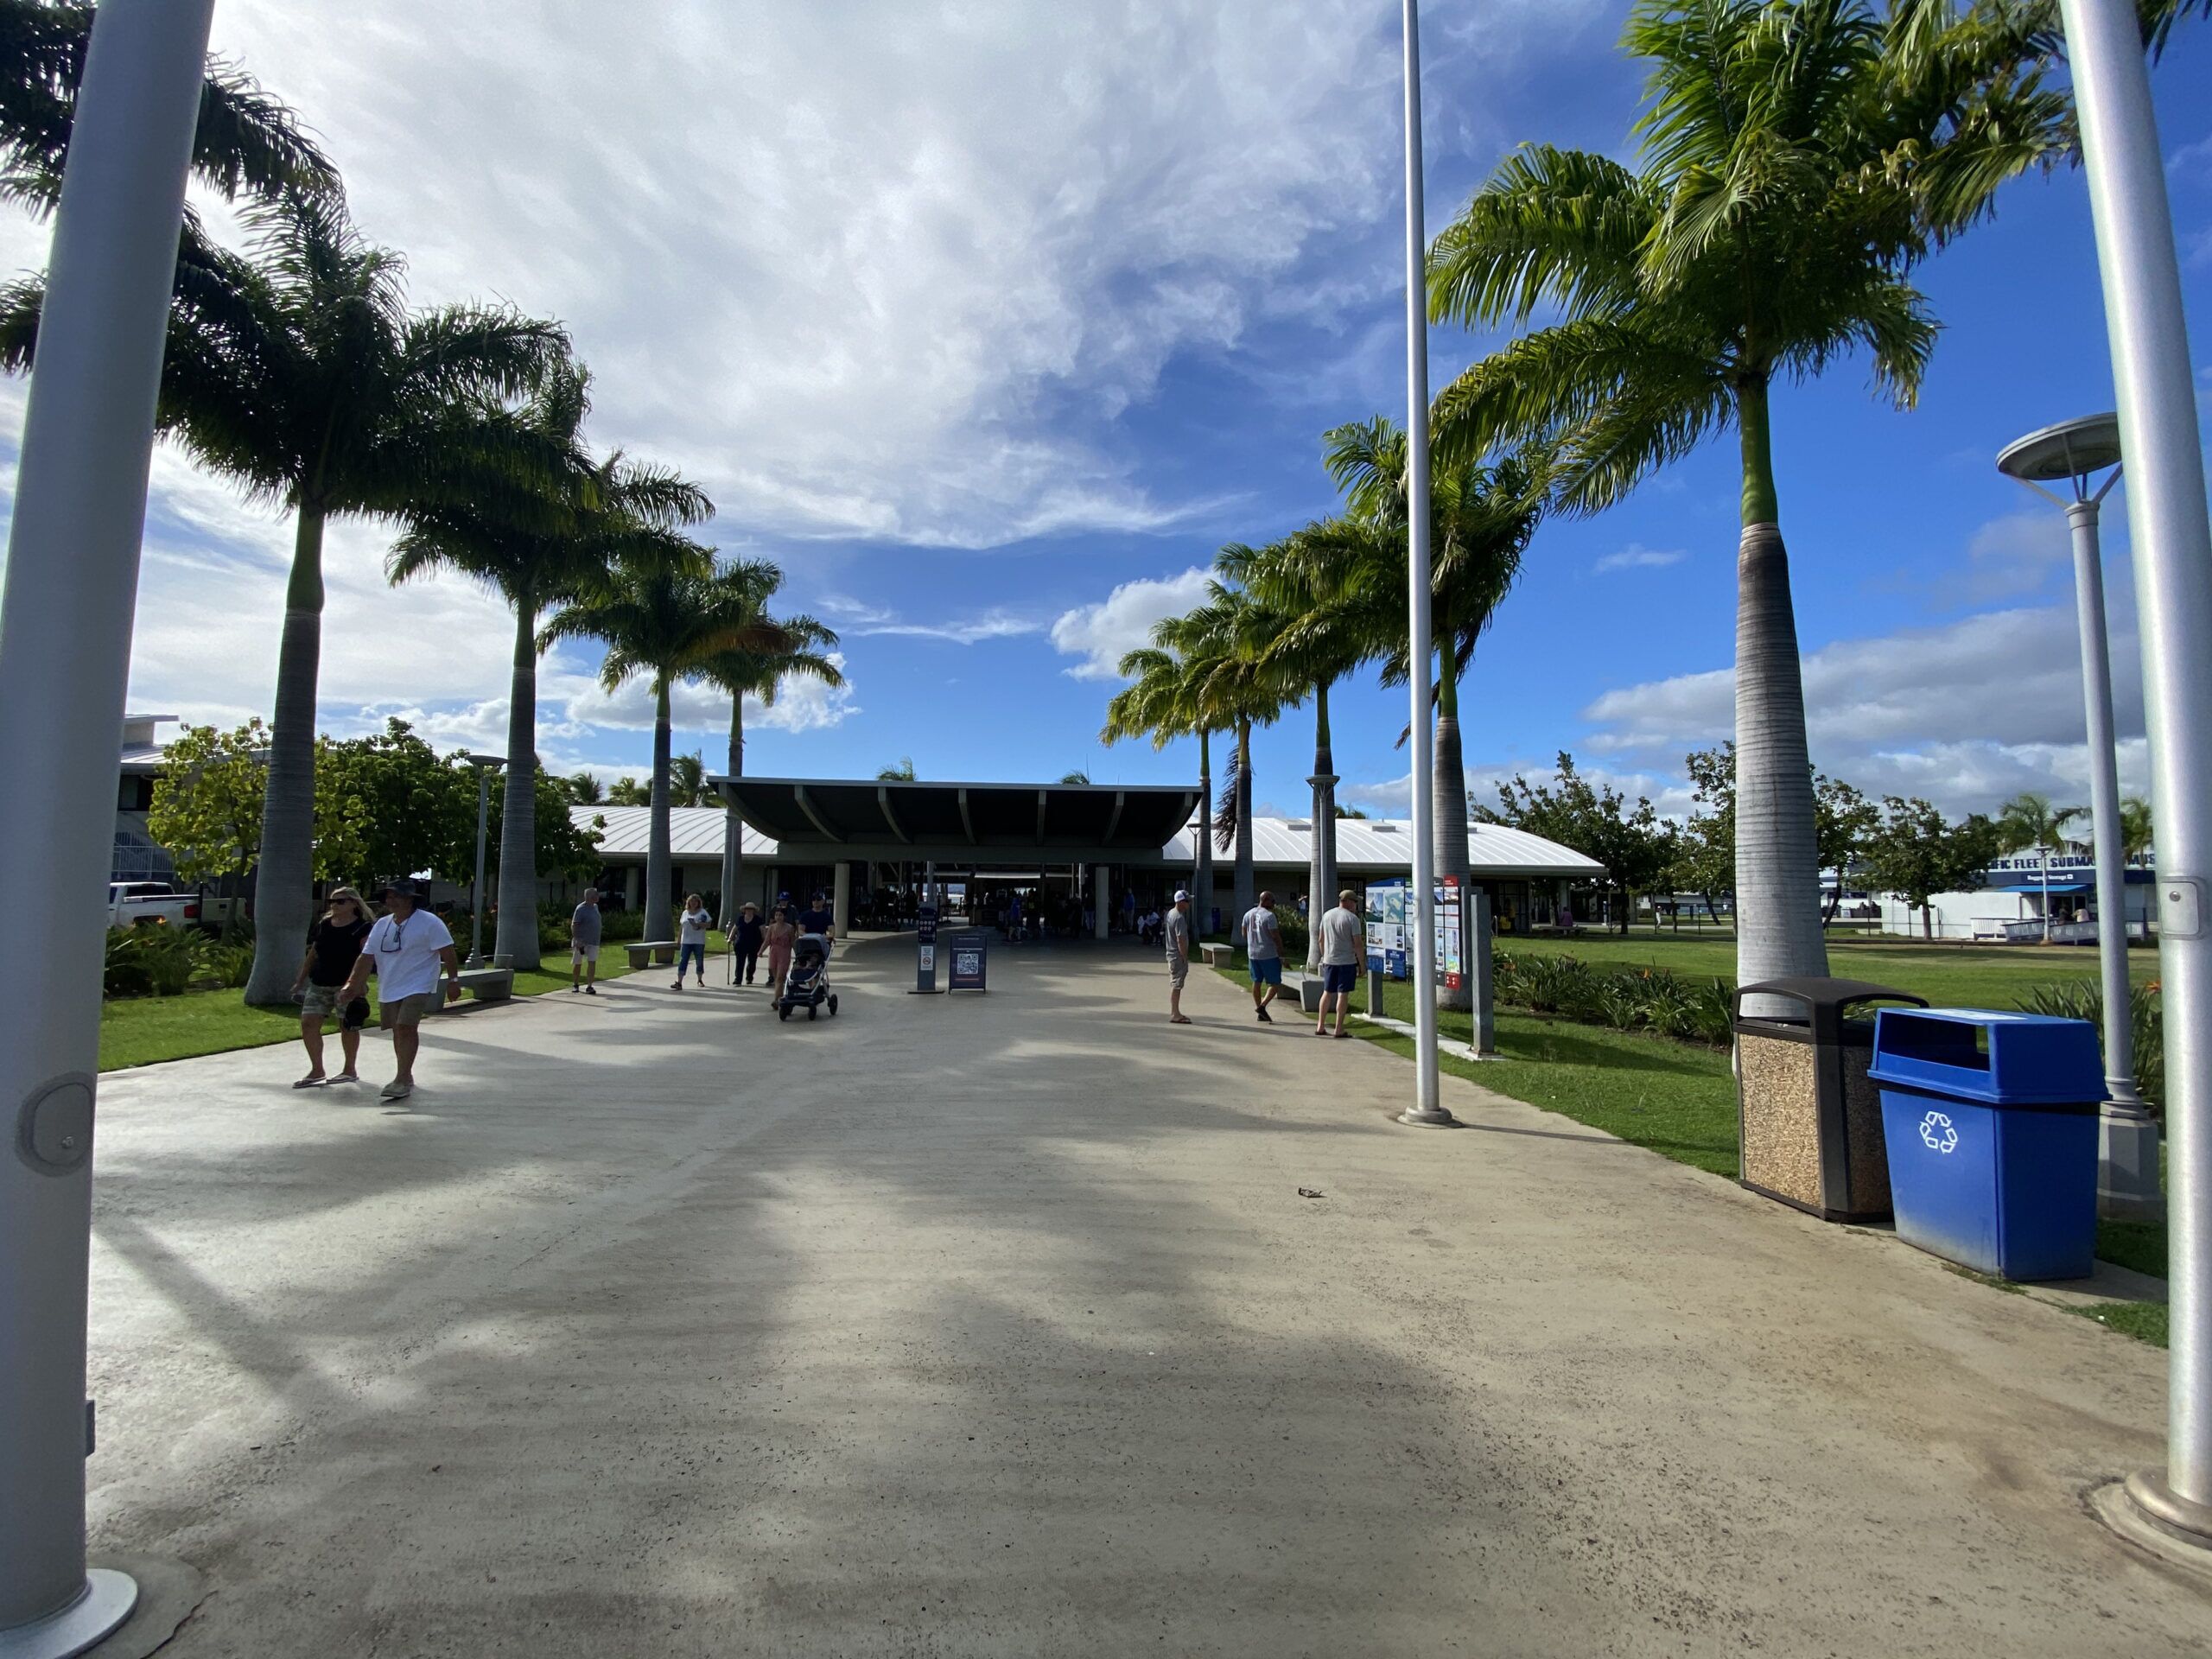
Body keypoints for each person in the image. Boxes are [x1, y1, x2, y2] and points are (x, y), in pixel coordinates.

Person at [335, 879, 460, 1102]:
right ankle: (406, 1073)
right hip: (391, 985)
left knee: (405, 1026)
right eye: (388, 896)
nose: (391, 900)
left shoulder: (429, 922)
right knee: (397, 1030)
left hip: (419, 983)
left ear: (410, 899)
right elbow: (366, 958)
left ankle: (401, 1079)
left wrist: (453, 979)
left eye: (396, 896)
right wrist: (352, 985)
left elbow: (448, 952)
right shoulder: (382, 925)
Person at [289, 886, 372, 1088]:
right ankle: (317, 1069)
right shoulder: (325, 925)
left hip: (346, 984)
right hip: (320, 983)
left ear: (354, 903)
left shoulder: (363, 927)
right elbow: (314, 953)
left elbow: (367, 957)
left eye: (340, 901)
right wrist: (300, 979)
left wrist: (358, 984)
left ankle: (349, 1069)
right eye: (331, 901)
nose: (334, 905)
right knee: (308, 1023)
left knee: (348, 1025)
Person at [1315, 888, 1363, 1039]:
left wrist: (1324, 956)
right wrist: (1362, 965)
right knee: (1343, 994)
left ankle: (1320, 1026)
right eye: (1355, 902)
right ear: (1349, 902)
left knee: (1327, 993)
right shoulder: (1352, 919)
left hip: (1329, 961)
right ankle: (1338, 1029)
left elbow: (1320, 940)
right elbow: (1357, 944)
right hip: (1346, 962)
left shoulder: (1327, 915)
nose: (1356, 905)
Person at [1241, 888, 1283, 1024]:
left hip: (1253, 953)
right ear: (1265, 900)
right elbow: (1276, 937)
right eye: (1272, 901)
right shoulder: (1269, 916)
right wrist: (1281, 955)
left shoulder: (1248, 914)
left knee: (1256, 981)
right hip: (1268, 954)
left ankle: (1260, 1011)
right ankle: (1262, 1007)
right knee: (1275, 984)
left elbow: (1244, 933)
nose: (1274, 904)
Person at [1164, 888, 1194, 1025]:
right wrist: (1184, 956)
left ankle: (1175, 1012)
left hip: (1171, 954)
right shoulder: (1179, 917)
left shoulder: (1171, 913)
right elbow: (1180, 939)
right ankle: (1175, 1013)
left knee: (1175, 984)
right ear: (1181, 902)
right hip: (1177, 955)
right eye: (1187, 901)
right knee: (1176, 985)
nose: (1189, 904)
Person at [673, 893, 714, 990]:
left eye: (696, 901)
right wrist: (678, 940)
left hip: (698, 941)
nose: (694, 903)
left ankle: (699, 979)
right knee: (683, 960)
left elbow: (709, 924)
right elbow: (681, 927)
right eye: (692, 901)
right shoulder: (685, 913)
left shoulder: (703, 912)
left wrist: (698, 924)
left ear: (698, 903)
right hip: (686, 941)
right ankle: (679, 982)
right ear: (689, 902)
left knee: (699, 961)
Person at [570, 887, 603, 994]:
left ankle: (590, 986)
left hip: (594, 941)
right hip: (582, 942)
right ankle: (575, 984)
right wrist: (577, 939)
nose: (598, 896)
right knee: (578, 963)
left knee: (592, 963)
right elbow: (575, 925)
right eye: (596, 895)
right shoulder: (580, 909)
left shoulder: (595, 907)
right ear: (590, 897)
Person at [765, 906, 798, 999]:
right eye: (776, 915)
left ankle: (776, 1000)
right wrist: (760, 951)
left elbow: (793, 942)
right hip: (773, 953)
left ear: (784, 916)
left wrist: (798, 954)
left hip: (784, 953)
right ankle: (780, 996)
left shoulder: (790, 928)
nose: (778, 917)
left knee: (780, 977)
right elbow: (767, 941)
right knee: (777, 979)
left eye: (780, 915)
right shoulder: (771, 927)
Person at [729, 902, 765, 985]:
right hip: (740, 944)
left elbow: (763, 931)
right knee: (739, 962)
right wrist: (730, 938)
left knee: (752, 963)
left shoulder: (758, 920)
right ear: (744, 910)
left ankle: (749, 977)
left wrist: (764, 942)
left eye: (751, 909)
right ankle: (738, 979)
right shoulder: (740, 919)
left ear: (754, 911)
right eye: (747, 909)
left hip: (754, 944)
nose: (749, 911)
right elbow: (734, 929)